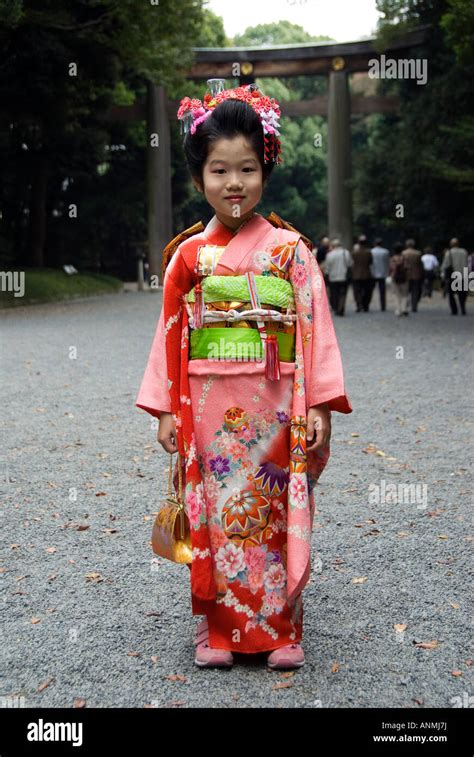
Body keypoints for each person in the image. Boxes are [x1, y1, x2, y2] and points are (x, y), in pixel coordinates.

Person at [135, 80, 352, 671]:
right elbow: (171, 332)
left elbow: (314, 329)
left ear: (267, 167)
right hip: (206, 402)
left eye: (248, 169)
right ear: (199, 177)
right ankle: (217, 629)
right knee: (212, 509)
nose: (234, 184)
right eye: (219, 171)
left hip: (276, 400)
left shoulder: (290, 251)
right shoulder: (187, 257)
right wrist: (164, 410)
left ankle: (281, 627)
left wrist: (320, 404)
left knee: (272, 508)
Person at [325, 238, 353, 316]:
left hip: (333, 278)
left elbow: (327, 268)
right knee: (343, 293)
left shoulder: (329, 255)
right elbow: (350, 264)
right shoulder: (346, 253)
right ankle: (341, 308)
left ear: (333, 246)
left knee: (334, 294)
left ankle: (336, 308)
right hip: (343, 276)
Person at [441, 237, 469, 315]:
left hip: (452, 276)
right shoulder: (464, 251)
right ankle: (463, 308)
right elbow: (467, 264)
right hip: (463, 275)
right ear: (458, 244)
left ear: (451, 244)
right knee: (462, 293)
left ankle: (454, 310)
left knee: (451, 294)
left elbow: (445, 265)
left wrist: (443, 276)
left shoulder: (449, 253)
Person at [402, 239, 424, 312]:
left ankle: (404, 305)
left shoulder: (403, 253)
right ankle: (414, 306)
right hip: (416, 274)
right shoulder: (418, 253)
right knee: (415, 291)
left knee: (405, 291)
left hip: (406, 274)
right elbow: (420, 265)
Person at [352, 239, 374, 312]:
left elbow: (352, 262)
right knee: (367, 291)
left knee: (357, 291)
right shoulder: (368, 252)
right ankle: (365, 305)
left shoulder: (355, 253)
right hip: (366, 274)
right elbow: (371, 262)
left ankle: (359, 304)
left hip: (356, 274)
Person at [389, 242, 409, 316]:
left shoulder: (392, 258)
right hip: (404, 277)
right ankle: (404, 308)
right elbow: (407, 267)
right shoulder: (404, 258)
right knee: (404, 294)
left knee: (396, 294)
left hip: (395, 278)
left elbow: (391, 268)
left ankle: (398, 309)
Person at [370, 237, 390, 311]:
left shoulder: (371, 251)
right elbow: (387, 263)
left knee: (370, 290)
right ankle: (383, 306)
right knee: (382, 291)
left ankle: (367, 304)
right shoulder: (385, 251)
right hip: (382, 273)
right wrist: (387, 273)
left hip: (373, 273)